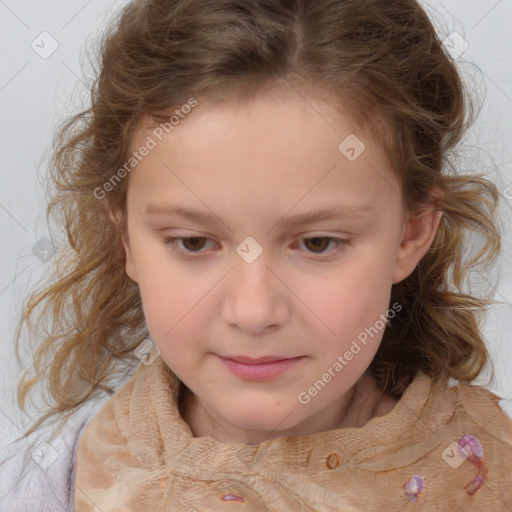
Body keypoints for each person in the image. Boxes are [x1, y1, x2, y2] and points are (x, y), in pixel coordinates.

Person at [1, 0, 511, 510]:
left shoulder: (495, 471)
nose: (253, 311)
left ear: (411, 233)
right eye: (194, 242)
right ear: (126, 240)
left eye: (317, 243)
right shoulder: (54, 479)